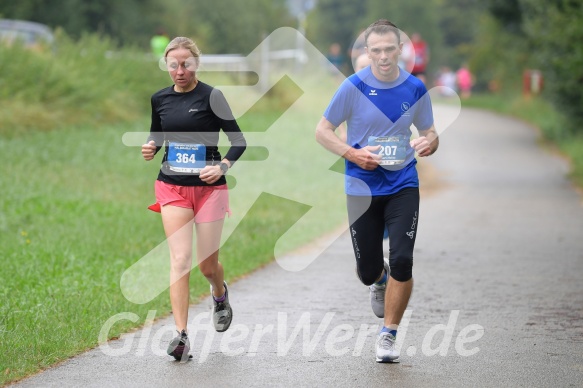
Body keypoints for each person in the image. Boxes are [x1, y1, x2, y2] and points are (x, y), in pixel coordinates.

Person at [315, 19, 438, 363]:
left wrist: (429, 143)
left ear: (401, 49)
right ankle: (378, 279)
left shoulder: (414, 88)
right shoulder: (353, 86)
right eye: (376, 50)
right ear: (366, 53)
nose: (383, 57)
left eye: (389, 49)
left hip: (403, 184)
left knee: (402, 257)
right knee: (367, 269)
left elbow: (430, 132)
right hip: (361, 186)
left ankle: (389, 334)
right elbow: (322, 131)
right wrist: (352, 153)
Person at [141, 36, 247, 361]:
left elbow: (238, 141)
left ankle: (219, 294)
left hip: (209, 189)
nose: (180, 70)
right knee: (180, 260)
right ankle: (181, 335)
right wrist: (151, 146)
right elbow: (158, 133)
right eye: (173, 64)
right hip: (171, 186)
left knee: (207, 264)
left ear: (196, 64)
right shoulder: (159, 99)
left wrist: (222, 166)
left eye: (185, 64)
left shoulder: (213, 96)